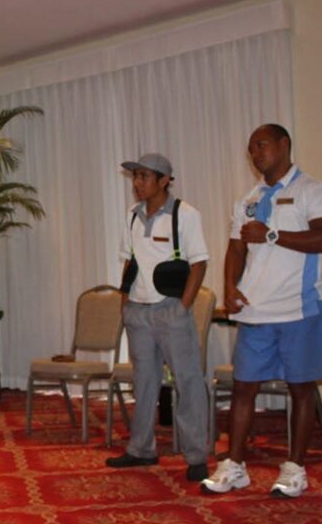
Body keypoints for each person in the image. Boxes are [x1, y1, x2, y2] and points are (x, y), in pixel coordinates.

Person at [202, 124, 322, 498]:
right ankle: (234, 465)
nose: (255, 153)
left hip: (299, 307)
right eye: (250, 148)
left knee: (301, 389)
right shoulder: (247, 199)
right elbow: (236, 248)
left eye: (261, 145)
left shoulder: (313, 190)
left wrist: (272, 235)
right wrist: (231, 286)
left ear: (284, 144)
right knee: (243, 387)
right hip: (256, 310)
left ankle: (294, 469)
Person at [106, 153, 210, 482]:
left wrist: (183, 306)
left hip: (170, 309)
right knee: (144, 382)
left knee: (188, 381)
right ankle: (141, 449)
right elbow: (129, 260)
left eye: (144, 177)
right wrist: (125, 303)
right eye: (135, 176)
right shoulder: (132, 215)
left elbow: (199, 263)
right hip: (138, 312)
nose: (137, 183)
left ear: (164, 180)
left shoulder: (185, 214)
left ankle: (197, 455)